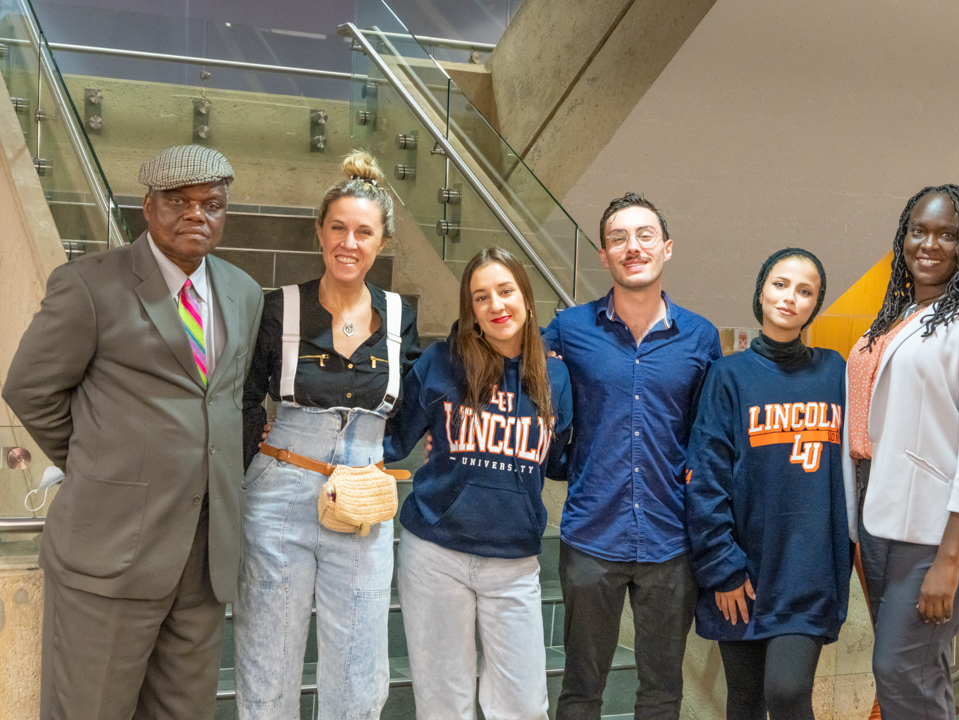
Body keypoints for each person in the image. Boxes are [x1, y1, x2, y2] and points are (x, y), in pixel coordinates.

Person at [3, 145, 263, 719]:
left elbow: (228, 401)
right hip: (110, 553)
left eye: (212, 205)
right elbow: (29, 390)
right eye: (179, 202)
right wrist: (101, 464)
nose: (197, 215)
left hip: (202, 558)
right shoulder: (89, 285)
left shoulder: (243, 292)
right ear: (148, 206)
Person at [234, 150, 420, 719]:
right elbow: (244, 399)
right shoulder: (277, 308)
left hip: (362, 501)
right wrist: (244, 471)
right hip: (279, 494)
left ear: (381, 241)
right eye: (337, 227)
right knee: (266, 658)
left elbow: (414, 401)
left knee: (360, 671)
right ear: (319, 232)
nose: (349, 242)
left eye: (364, 232)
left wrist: (388, 459)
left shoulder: (400, 315)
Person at [843, 185, 959, 719]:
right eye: (919, 231)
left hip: (940, 529)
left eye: (948, 234)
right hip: (883, 516)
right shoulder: (901, 314)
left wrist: (949, 559)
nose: (930, 244)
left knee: (900, 669)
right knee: (917, 668)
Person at [544, 192, 722, 720]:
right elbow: (517, 382)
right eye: (619, 238)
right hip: (590, 537)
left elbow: (711, 436)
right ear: (604, 255)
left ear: (667, 248)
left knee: (663, 692)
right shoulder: (569, 330)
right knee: (580, 691)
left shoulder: (701, 336)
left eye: (645, 235)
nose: (633, 247)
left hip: (671, 541)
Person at [384, 246, 573, 719]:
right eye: (481, 297)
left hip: (513, 563)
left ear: (527, 298)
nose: (496, 306)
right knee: (444, 705)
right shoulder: (440, 363)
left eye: (506, 291)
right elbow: (391, 435)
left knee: (525, 708)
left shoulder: (556, 376)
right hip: (435, 555)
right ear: (471, 310)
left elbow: (560, 460)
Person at [686, 248, 850, 720]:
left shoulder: (835, 372)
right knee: (745, 700)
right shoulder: (728, 376)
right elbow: (706, 480)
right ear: (760, 291)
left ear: (815, 306)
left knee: (787, 692)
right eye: (780, 284)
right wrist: (723, 570)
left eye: (805, 291)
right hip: (742, 575)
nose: (790, 298)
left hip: (810, 573)